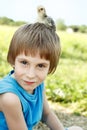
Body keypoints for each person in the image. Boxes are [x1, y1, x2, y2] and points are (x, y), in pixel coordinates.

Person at [0, 23, 83, 130]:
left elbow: (46, 114)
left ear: (50, 67)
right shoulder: (10, 98)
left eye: (40, 65)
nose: (30, 75)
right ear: (12, 60)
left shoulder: (36, 84)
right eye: (24, 62)